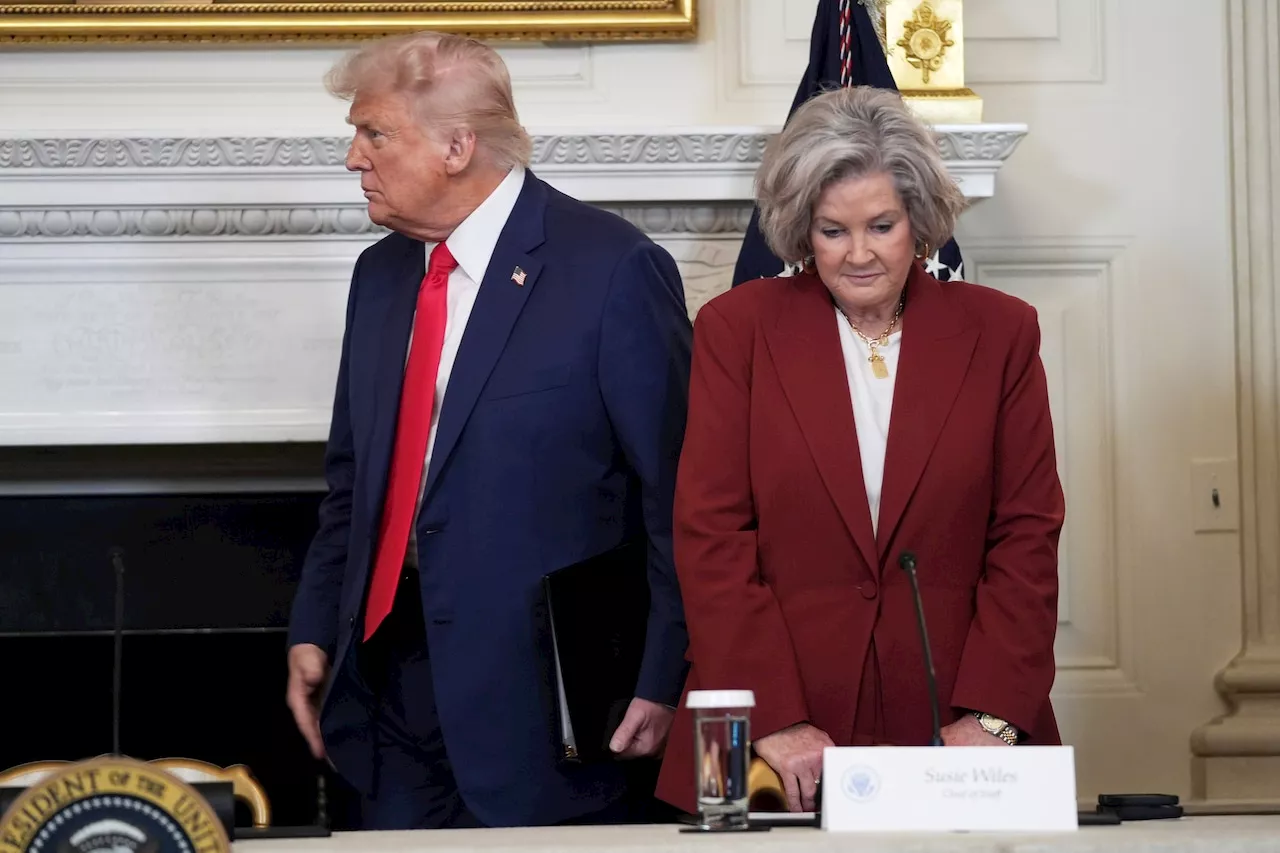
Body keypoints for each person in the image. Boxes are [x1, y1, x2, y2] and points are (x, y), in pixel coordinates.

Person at [284, 31, 692, 830]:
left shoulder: (612, 268)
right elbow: (353, 482)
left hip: (547, 709)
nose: (353, 158)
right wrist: (315, 626)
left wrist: (663, 675)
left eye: (374, 133)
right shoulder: (380, 275)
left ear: (456, 146)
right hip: (391, 694)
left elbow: (677, 495)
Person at [655, 86, 1066, 815]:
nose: (860, 253)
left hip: (957, 719)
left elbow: (1027, 533)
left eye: (882, 225)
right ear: (801, 231)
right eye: (833, 230)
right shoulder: (735, 330)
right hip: (767, 725)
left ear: (919, 221)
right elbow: (710, 535)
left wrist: (994, 716)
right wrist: (772, 716)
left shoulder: (1002, 332)